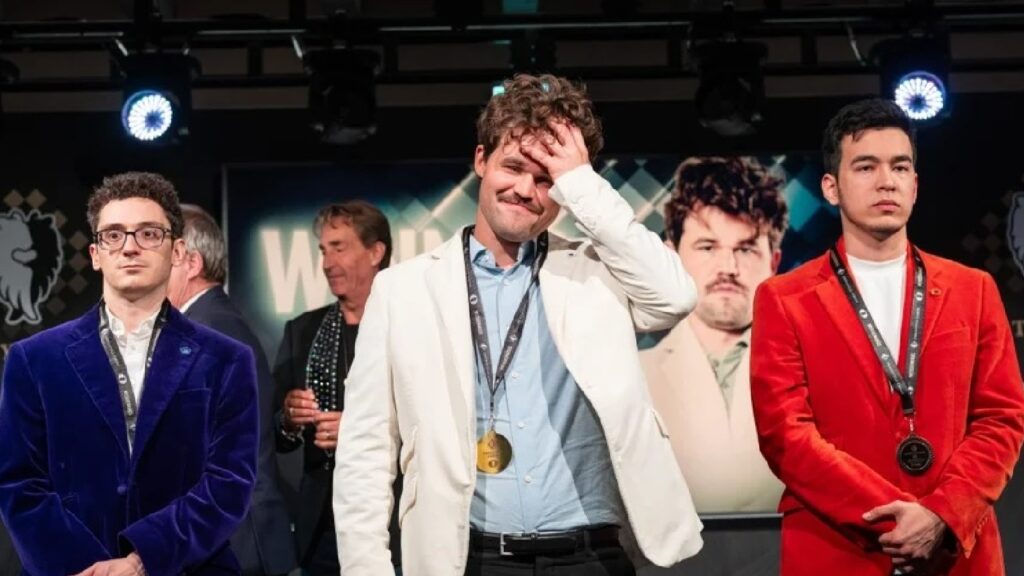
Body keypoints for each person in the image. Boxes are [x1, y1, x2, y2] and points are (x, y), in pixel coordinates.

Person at [333, 73, 704, 576]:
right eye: (512, 166)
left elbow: (676, 297)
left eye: (547, 178)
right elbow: (365, 452)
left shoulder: (598, 273)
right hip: (468, 559)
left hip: (591, 557)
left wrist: (583, 184)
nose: (525, 190)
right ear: (481, 160)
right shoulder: (403, 291)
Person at [750, 98, 1024, 575]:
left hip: (955, 552)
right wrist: (895, 519)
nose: (886, 181)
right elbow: (785, 436)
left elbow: (1001, 419)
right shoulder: (784, 298)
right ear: (831, 187)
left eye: (900, 167)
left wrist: (941, 513)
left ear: (915, 185)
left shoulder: (973, 289)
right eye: (866, 167)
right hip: (838, 548)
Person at [0, 172, 258, 574]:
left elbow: (229, 483)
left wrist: (142, 560)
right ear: (95, 254)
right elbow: (19, 483)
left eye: (149, 234)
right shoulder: (33, 359)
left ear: (177, 251)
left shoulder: (227, 359)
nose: (130, 247)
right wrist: (92, 567)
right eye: (114, 235)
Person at [641, 156, 787, 514]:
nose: (728, 268)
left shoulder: (817, 369)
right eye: (707, 247)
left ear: (774, 263)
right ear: (672, 257)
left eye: (746, 249)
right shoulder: (632, 374)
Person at [167, 204, 297, 576]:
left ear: (191, 263)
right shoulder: (208, 321)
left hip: (235, 542)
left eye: (164, 258)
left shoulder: (209, 329)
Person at [272, 200, 397, 575]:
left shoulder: (408, 328)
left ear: (375, 252)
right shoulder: (302, 332)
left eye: (339, 248)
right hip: (321, 531)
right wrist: (289, 418)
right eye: (323, 251)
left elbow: (433, 425)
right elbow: (276, 436)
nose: (327, 263)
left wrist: (358, 432)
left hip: (393, 527)